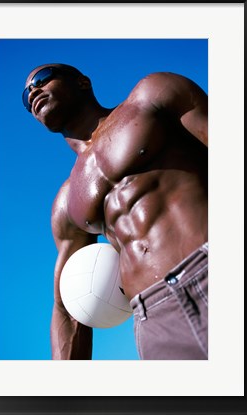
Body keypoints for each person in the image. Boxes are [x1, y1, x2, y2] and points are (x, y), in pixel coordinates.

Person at [22, 63, 208, 360]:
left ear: (83, 82)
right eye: (26, 94)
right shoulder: (67, 201)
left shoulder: (151, 96)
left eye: (42, 79)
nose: (34, 91)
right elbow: (68, 310)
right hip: (155, 318)